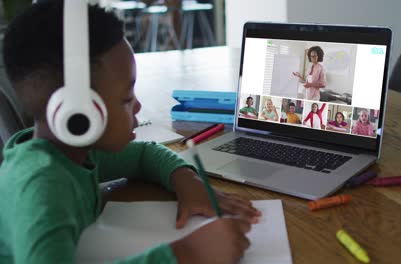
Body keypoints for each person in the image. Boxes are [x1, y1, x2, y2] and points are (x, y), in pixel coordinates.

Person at [0, 2, 260, 264]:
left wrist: (188, 182)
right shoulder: (42, 187)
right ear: (78, 114)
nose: (137, 105)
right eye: (126, 98)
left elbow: (144, 155)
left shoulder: (72, 154)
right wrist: (186, 254)